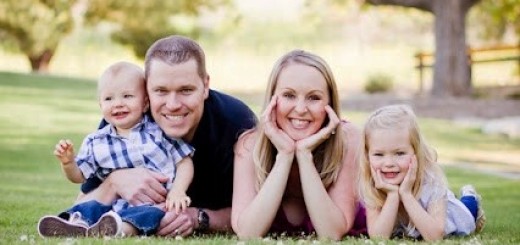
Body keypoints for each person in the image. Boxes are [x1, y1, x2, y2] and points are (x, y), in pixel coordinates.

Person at [67, 35, 257, 237]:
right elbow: (81, 204)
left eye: (186, 90)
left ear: (205, 85)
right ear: (146, 91)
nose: (173, 104)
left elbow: (254, 215)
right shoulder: (127, 119)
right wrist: (114, 182)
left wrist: (197, 218)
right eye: (161, 91)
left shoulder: (236, 124)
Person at [38, 61, 195, 238]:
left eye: (127, 96)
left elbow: (184, 161)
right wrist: (68, 163)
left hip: (155, 205)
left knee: (145, 216)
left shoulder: (159, 132)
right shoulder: (95, 142)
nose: (118, 104)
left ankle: (117, 231)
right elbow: (78, 176)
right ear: (100, 106)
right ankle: (74, 225)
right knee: (91, 207)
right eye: (109, 99)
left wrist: (178, 191)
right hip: (112, 206)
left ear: (145, 103)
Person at [231, 50, 367, 240]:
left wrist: (304, 155)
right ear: (272, 99)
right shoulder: (249, 145)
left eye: (314, 98)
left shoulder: (348, 139)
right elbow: (248, 233)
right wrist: (285, 155)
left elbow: (331, 233)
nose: (301, 109)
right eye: (288, 95)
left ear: (330, 104)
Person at [358, 104, 486, 241]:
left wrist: (406, 194)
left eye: (399, 153)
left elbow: (435, 237)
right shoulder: (372, 183)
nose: (388, 163)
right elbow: (378, 237)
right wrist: (392, 195)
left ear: (416, 152)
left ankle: (469, 196)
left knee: (469, 210)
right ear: (367, 155)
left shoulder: (431, 182)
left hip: (452, 216)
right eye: (378, 154)